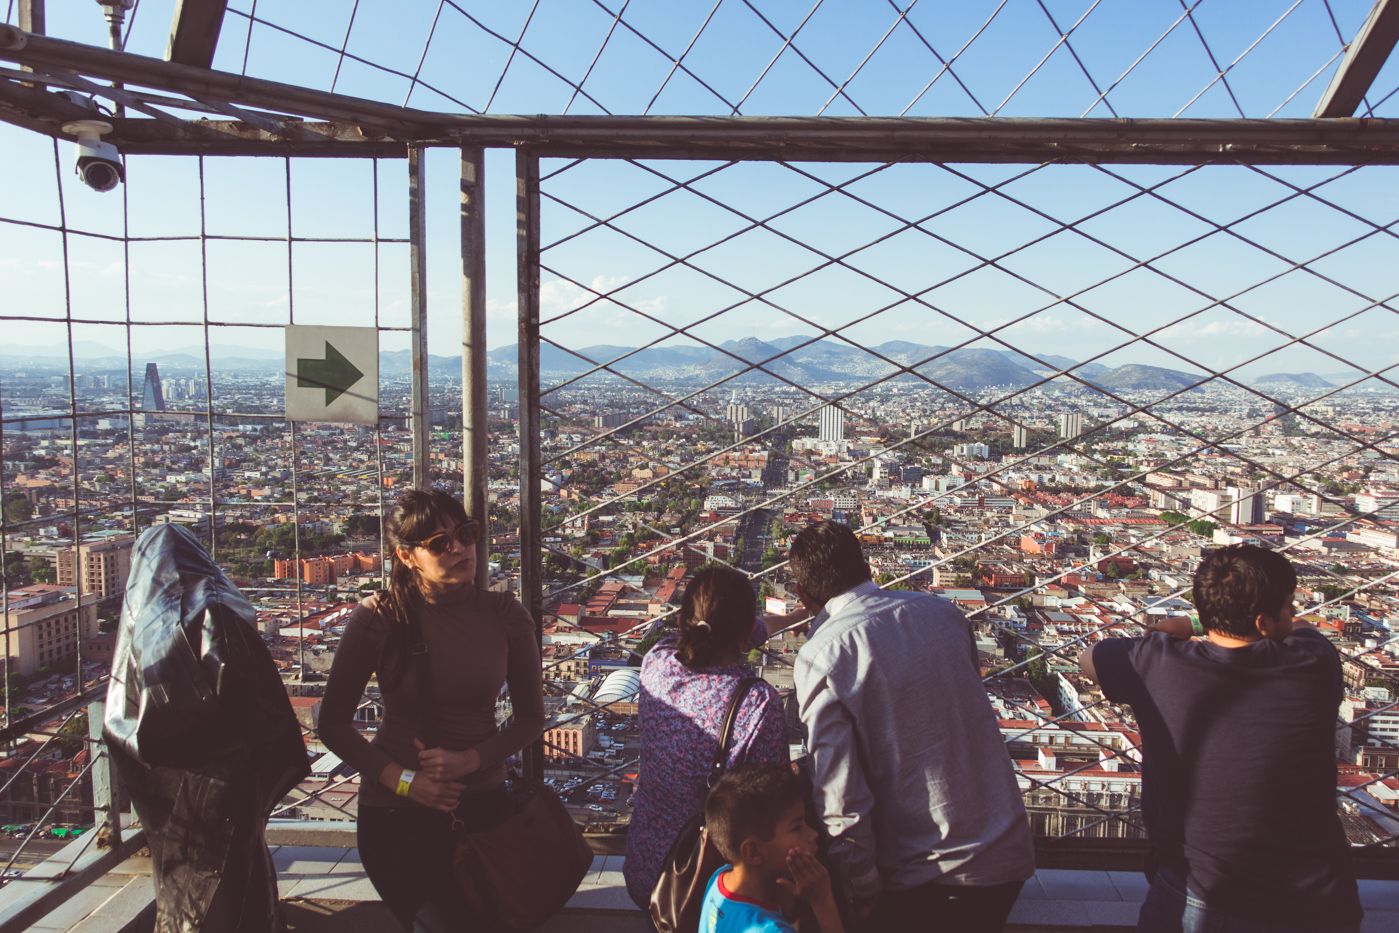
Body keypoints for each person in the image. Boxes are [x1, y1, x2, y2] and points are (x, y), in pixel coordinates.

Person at [1079, 544, 1362, 932]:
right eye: (1288, 606)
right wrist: (1201, 625)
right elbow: (1305, 629)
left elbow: (1089, 657)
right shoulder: (1313, 663)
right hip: (1313, 896)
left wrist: (1190, 627)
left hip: (1198, 890)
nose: (1293, 614)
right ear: (1264, 623)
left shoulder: (1155, 663)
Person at [788, 520, 1034, 932]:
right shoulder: (943, 613)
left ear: (802, 593)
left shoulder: (823, 655)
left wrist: (858, 891)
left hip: (930, 871)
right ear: (866, 566)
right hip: (1007, 851)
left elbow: (840, 794)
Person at [320, 490, 546, 932]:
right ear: (407, 556)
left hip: (484, 809)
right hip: (396, 816)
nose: (460, 549)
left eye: (466, 534)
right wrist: (406, 783)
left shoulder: (505, 615)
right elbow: (331, 723)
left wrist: (471, 759)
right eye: (440, 543)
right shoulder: (380, 617)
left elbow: (532, 718)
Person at [624, 564, 806, 908]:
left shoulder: (656, 662)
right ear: (745, 633)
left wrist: (792, 617)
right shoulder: (756, 704)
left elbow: (720, 633)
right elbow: (774, 803)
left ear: (683, 621)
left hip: (645, 866)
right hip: (705, 885)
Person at [698, 763, 846, 933]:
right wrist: (823, 902)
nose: (813, 834)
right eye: (797, 827)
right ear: (753, 852)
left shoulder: (719, 879)